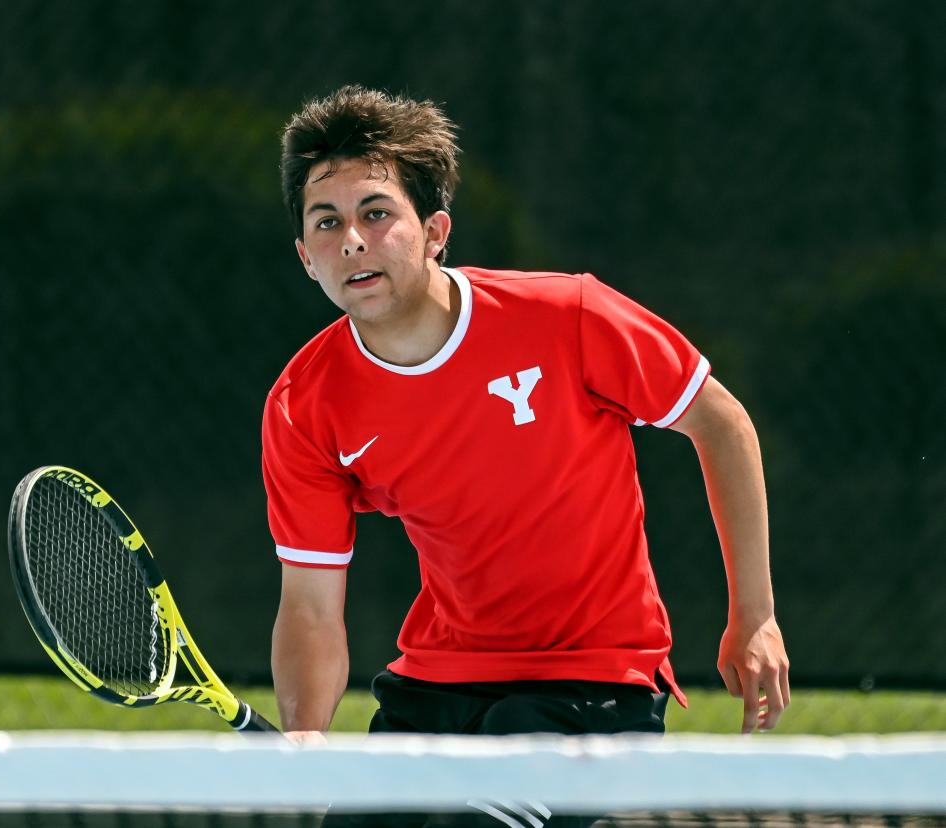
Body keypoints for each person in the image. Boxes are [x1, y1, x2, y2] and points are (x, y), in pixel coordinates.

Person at [262, 86, 790, 826]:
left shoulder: (568, 315)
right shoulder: (303, 403)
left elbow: (721, 422)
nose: (351, 239)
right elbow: (311, 606)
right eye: (327, 222)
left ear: (435, 229)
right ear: (304, 255)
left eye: (376, 213)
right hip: (436, 686)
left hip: (595, 679)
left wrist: (755, 615)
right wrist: (306, 737)